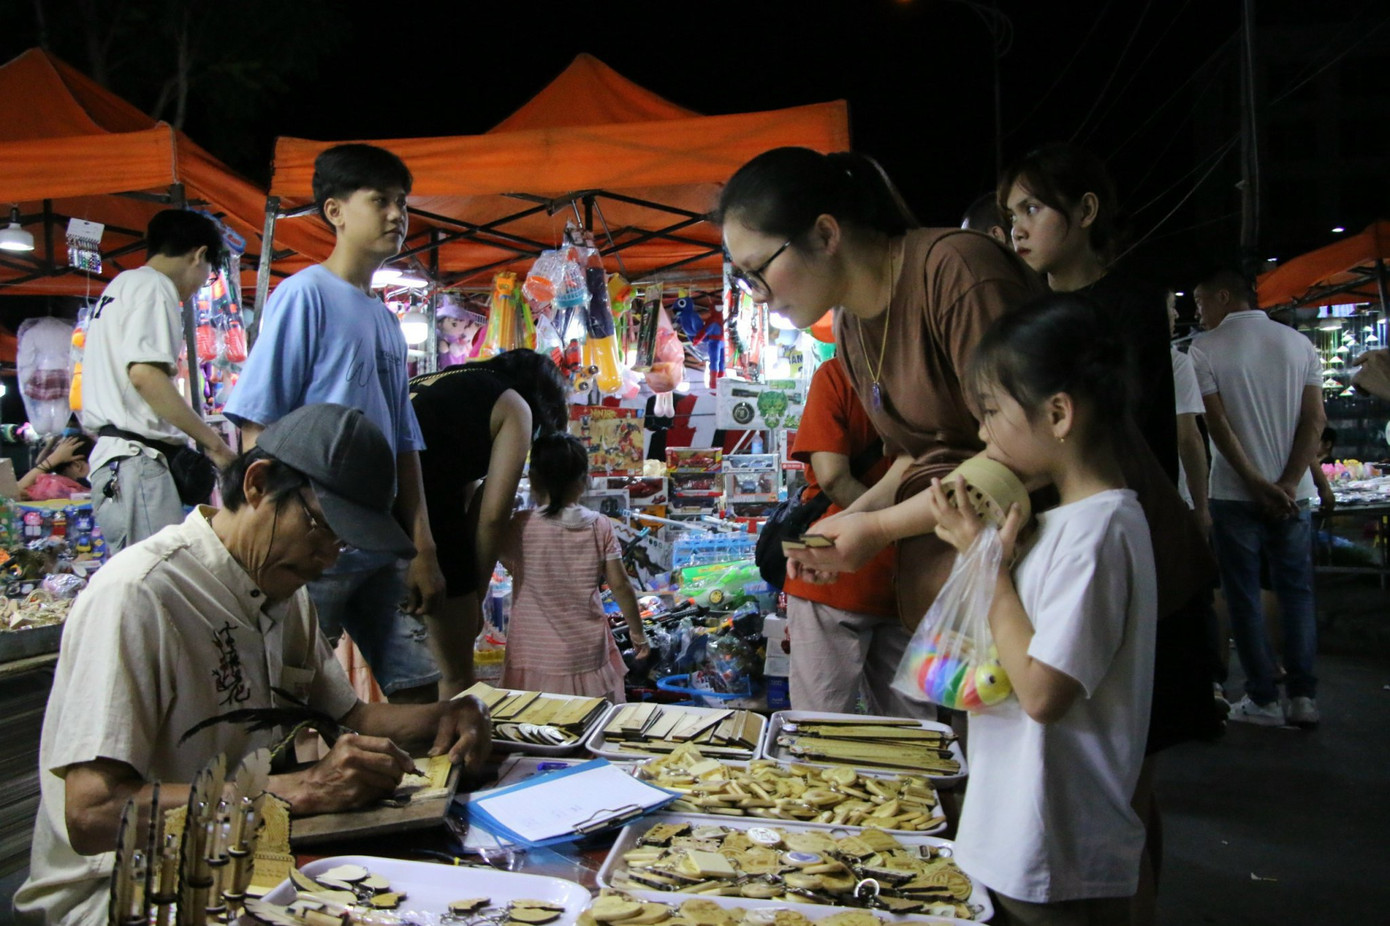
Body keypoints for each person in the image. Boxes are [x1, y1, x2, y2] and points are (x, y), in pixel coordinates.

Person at [13, 404, 491, 925]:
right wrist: (296, 790)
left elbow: (353, 716)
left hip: (234, 860)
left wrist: (447, 715)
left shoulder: (284, 592)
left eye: (343, 541)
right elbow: (93, 813)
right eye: (321, 527)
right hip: (121, 891)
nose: (329, 558)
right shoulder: (139, 594)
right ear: (258, 484)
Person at [715, 146, 1044, 634]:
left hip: (1048, 568)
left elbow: (1027, 450)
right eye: (746, 279)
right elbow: (918, 455)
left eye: (759, 269)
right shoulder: (850, 326)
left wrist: (878, 527)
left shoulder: (955, 271)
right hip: (972, 586)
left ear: (826, 234)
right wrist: (852, 518)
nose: (758, 295)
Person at [928, 294, 1156, 926]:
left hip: (1055, 850)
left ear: (1058, 413)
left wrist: (989, 569)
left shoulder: (1099, 533)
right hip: (1018, 838)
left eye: (991, 412)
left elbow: (1042, 693)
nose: (982, 434)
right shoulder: (1064, 523)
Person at [224, 143, 445, 703]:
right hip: (311, 539)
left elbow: (404, 443)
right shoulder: (305, 294)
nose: (397, 215)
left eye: (402, 203)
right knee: (291, 694)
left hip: (378, 538)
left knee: (419, 687)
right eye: (380, 201)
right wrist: (275, 529)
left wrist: (422, 546)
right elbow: (258, 426)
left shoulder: (386, 320)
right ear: (335, 211)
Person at [1190, 268, 1326, 727]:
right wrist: (1287, 483)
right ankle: (1303, 698)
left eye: (1200, 301)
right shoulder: (1299, 345)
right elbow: (1315, 421)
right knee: (1297, 593)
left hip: (1234, 494)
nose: (1197, 312)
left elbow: (1217, 426)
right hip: (1294, 496)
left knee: (1243, 595)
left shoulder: (1203, 349)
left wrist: (1254, 482)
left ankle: (1263, 698)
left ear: (1223, 296)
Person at [408, 350, 570, 697]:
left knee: (406, 679)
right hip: (422, 510)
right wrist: (475, 597)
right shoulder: (515, 406)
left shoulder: (451, 381)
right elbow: (493, 515)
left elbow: (464, 489)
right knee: (453, 676)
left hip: (364, 510)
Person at [80, 209, 238, 551]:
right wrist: (216, 446)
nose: (200, 285)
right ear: (199, 255)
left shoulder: (121, 285)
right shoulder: (155, 287)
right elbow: (146, 376)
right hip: (135, 463)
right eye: (208, 272)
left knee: (141, 574)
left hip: (118, 463)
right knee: (158, 573)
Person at [782, 355, 918, 716]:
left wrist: (871, 527)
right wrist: (894, 528)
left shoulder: (837, 373)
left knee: (819, 724)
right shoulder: (927, 375)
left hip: (831, 561)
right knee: (907, 731)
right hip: (910, 570)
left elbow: (832, 478)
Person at [498, 432, 648, 700]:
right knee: (589, 719)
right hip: (585, 652)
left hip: (533, 653)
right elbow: (621, 585)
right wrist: (638, 633)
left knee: (535, 720)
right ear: (584, 480)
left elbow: (505, 561)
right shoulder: (599, 525)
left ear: (533, 480)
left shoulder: (520, 526)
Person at [18, 433, 95, 501]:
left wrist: (52, 460)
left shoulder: (55, 489)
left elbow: (16, 492)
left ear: (78, 466)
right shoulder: (96, 485)